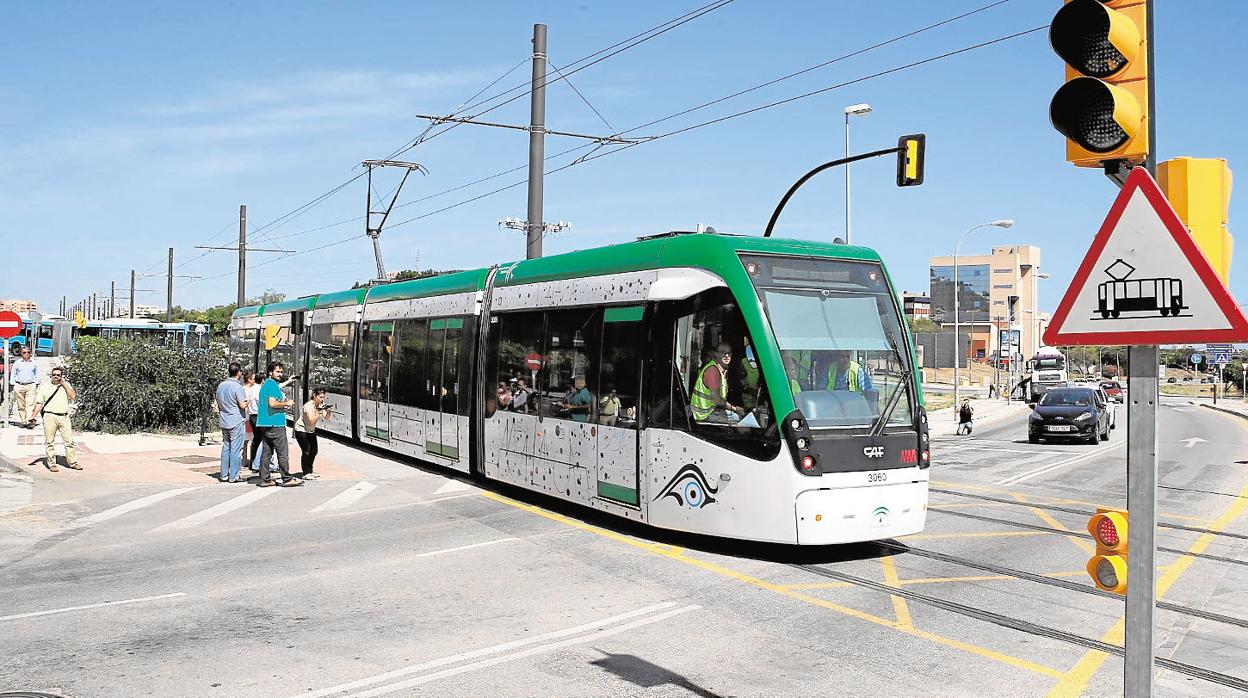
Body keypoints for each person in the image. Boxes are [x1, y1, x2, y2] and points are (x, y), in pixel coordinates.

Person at [254, 362, 301, 487]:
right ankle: (286, 478)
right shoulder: (272, 386)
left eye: (281, 372)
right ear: (270, 372)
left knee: (267, 452)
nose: (280, 374)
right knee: (282, 452)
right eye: (277, 372)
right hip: (276, 423)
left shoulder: (267, 384)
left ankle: (265, 478)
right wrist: (287, 403)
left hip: (264, 423)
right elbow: (273, 403)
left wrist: (288, 381)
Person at [33, 367, 78, 471]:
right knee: (50, 441)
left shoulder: (66, 385)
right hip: (50, 416)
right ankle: (52, 463)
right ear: (51, 376)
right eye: (54, 375)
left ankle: (73, 462)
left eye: (58, 375)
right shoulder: (45, 387)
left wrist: (64, 384)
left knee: (69, 441)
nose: (56, 376)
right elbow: (39, 402)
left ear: (61, 376)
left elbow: (72, 396)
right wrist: (33, 416)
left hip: (64, 416)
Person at [691, 343, 745, 424]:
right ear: (716, 354)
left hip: (711, 410)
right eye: (723, 352)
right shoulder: (713, 370)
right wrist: (735, 409)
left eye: (729, 353)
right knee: (739, 423)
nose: (726, 356)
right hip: (703, 415)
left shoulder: (722, 370)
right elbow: (716, 400)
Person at [214, 363, 249, 483]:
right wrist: (248, 400)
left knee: (226, 447)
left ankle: (223, 474)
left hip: (224, 419)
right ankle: (234, 476)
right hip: (236, 420)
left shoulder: (221, 385)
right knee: (236, 449)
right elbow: (242, 405)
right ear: (238, 372)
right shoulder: (237, 386)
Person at [293, 388, 331, 480]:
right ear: (314, 395)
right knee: (306, 451)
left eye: (323, 397)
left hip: (311, 430)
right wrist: (319, 411)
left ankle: (310, 471)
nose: (322, 399)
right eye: (320, 397)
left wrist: (328, 411)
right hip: (301, 429)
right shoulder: (308, 406)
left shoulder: (320, 405)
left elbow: (326, 417)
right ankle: (305, 473)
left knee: (314, 450)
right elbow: (311, 421)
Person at [9, 346, 42, 428]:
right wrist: (13, 384)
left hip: (30, 385)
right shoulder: (17, 363)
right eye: (24, 352)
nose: (26, 354)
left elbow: (37, 374)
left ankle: (29, 421)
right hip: (19, 385)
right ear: (21, 353)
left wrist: (36, 384)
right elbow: (13, 374)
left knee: (30, 404)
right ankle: (23, 420)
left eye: (28, 352)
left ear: (30, 353)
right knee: (21, 404)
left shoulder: (34, 363)